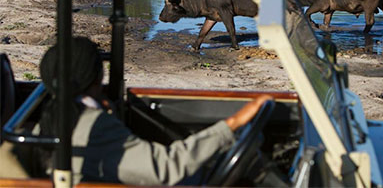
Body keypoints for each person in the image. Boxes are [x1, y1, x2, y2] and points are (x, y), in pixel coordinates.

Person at [37, 36, 272, 185]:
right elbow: (166, 168)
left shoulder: (53, 116)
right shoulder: (94, 125)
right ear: (98, 77)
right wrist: (231, 125)